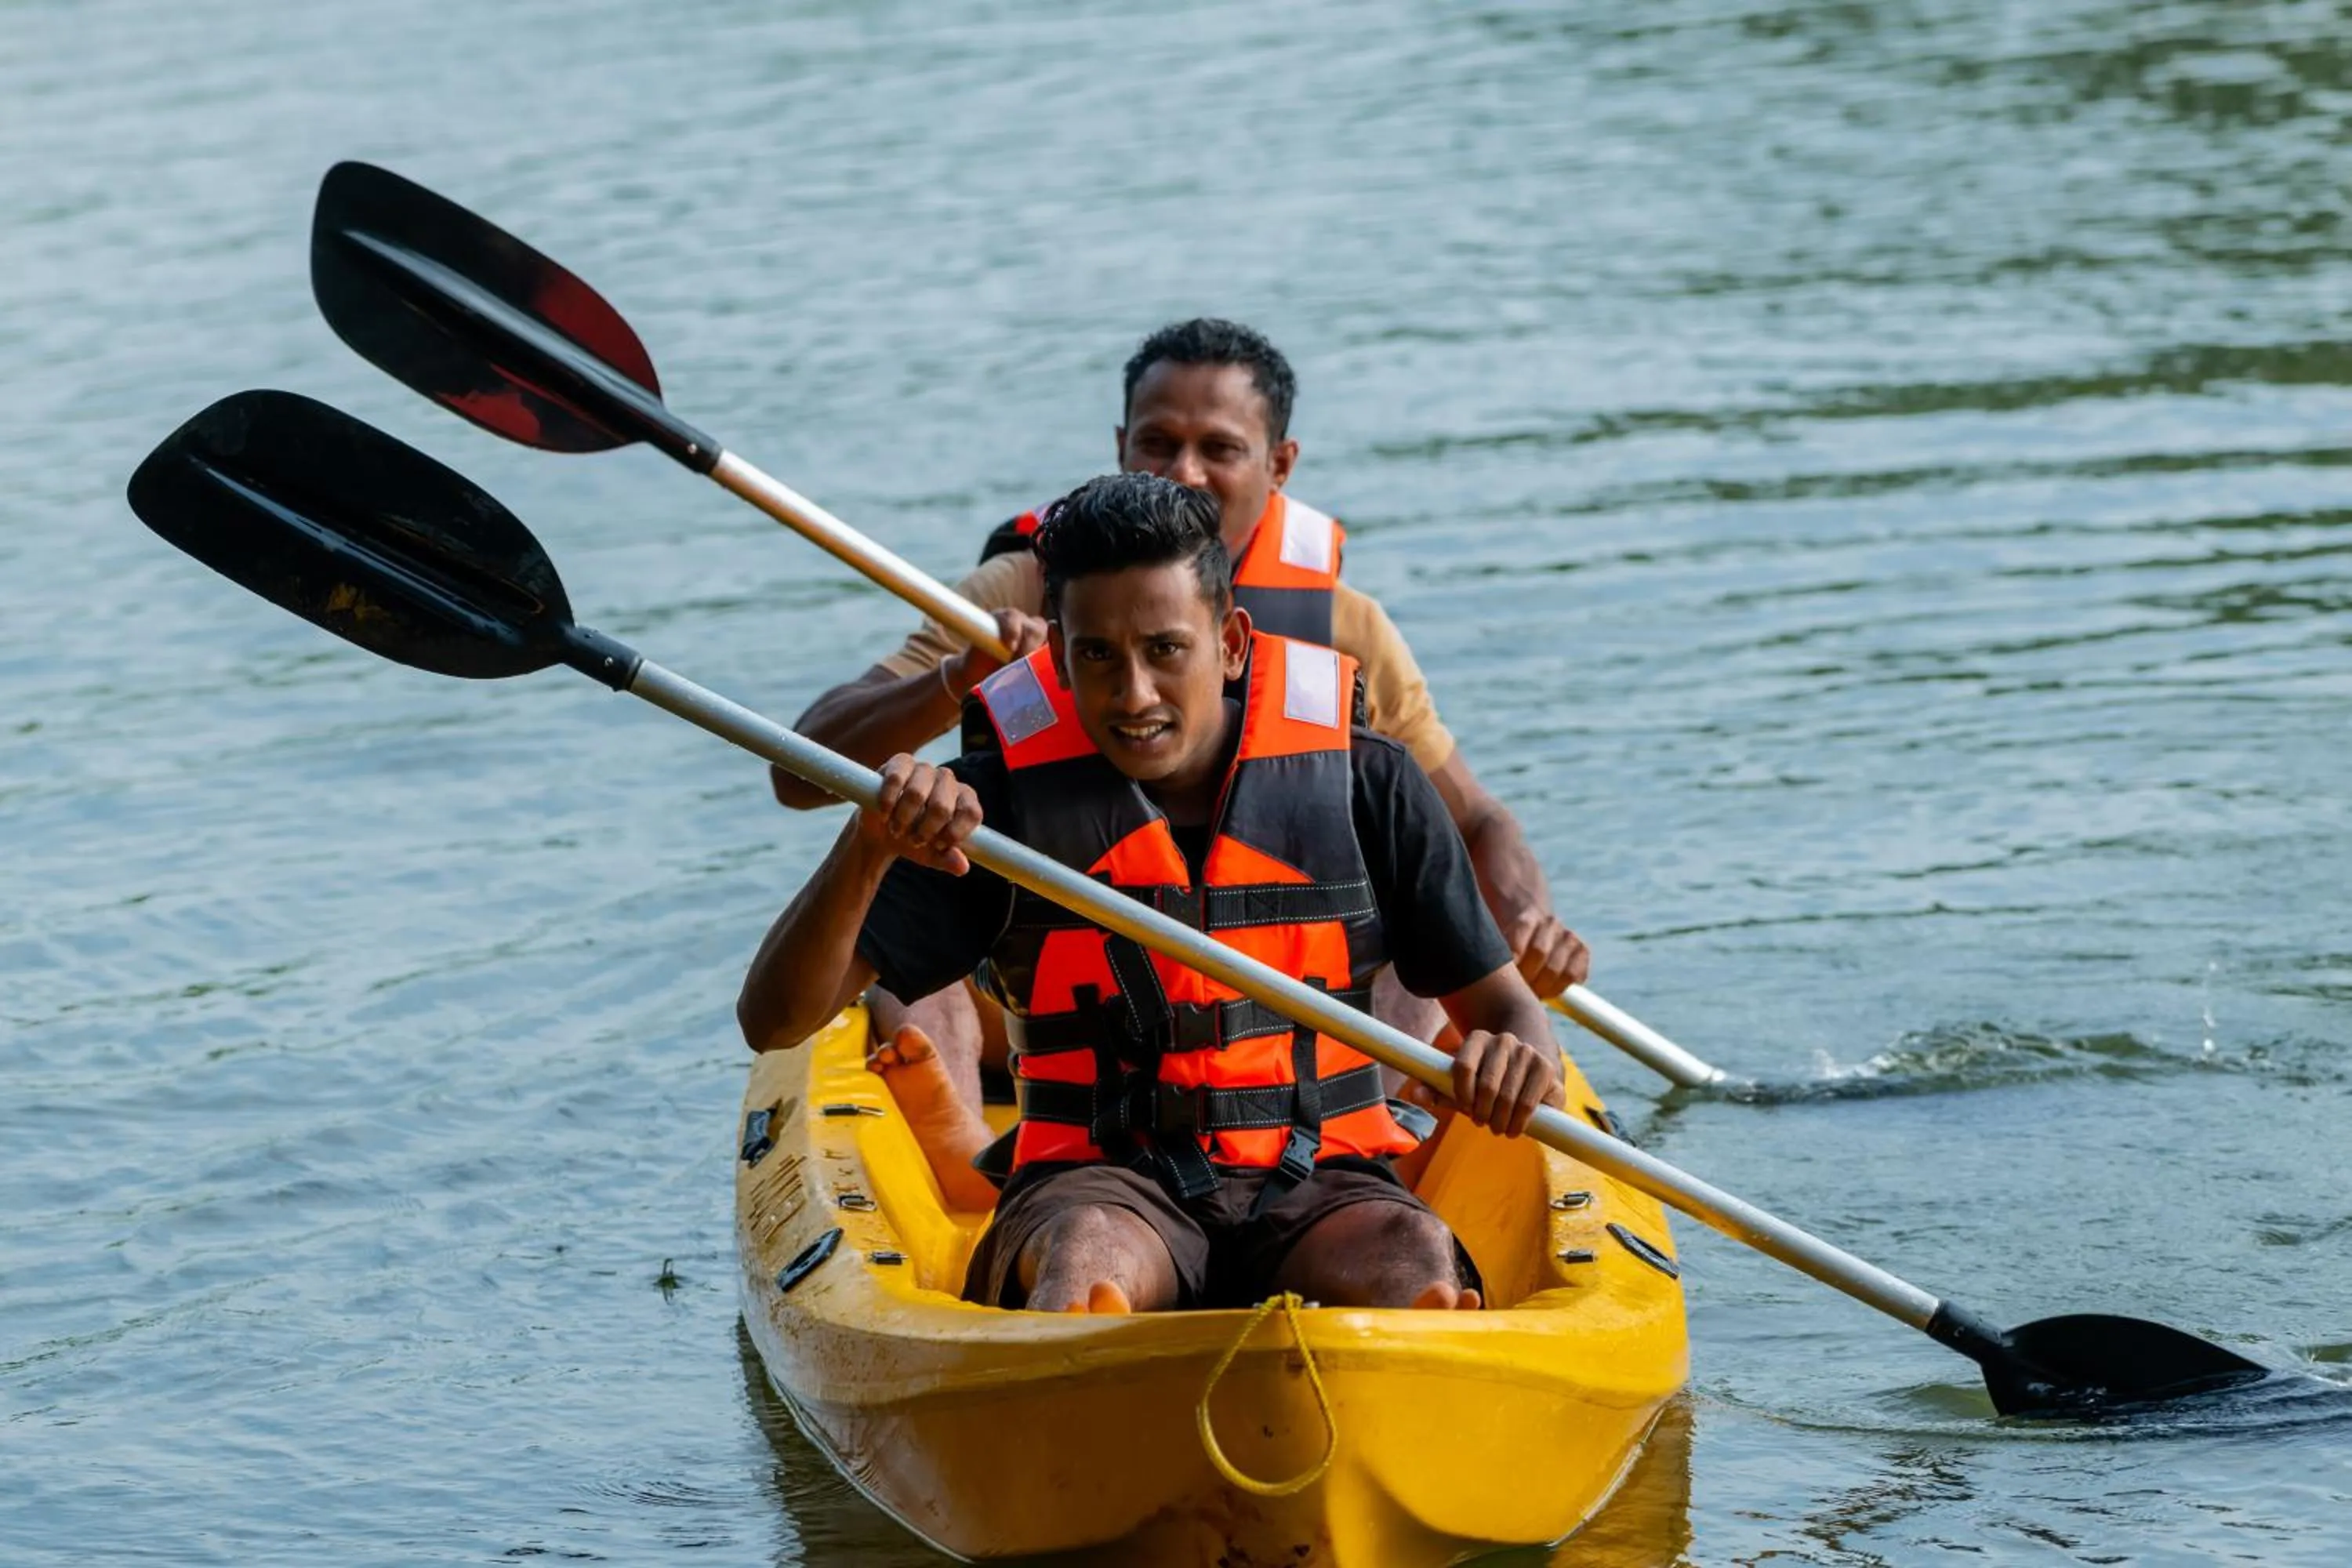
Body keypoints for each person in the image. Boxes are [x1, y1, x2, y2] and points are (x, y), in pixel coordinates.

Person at [739, 475, 1566, 1312]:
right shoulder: (996, 806)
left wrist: (1517, 1059)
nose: (1133, 694)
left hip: (1322, 1176)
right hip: (1099, 1182)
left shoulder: (1369, 780)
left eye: (1165, 649)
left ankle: (1410, 1405)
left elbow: (1510, 1013)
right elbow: (772, 1020)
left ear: (1232, 641)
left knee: (1412, 1249)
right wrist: (866, 846)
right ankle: (1088, 1385)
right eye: (1097, 654)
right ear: (1059, 656)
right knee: (1089, 1252)